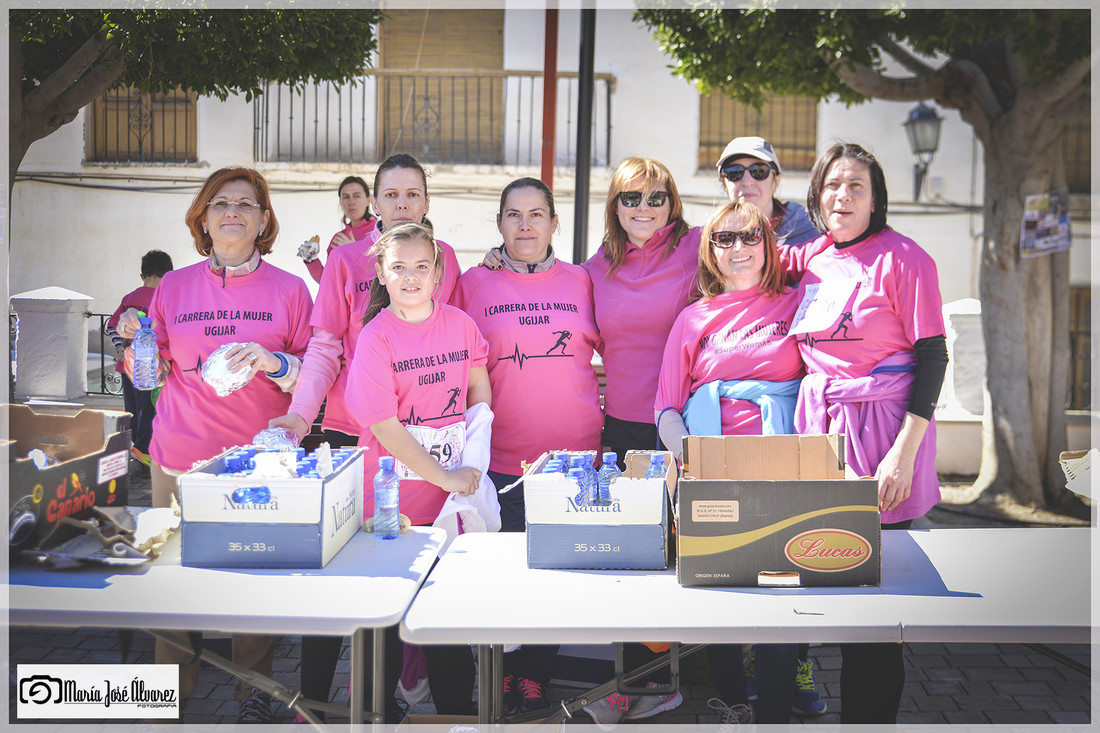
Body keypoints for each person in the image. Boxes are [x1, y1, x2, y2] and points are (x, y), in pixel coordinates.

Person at [116, 166, 312, 724]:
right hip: (179, 459)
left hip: (261, 467)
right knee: (174, 586)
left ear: (264, 220)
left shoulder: (291, 289)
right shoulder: (173, 288)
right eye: (221, 202)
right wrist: (137, 352)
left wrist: (276, 361)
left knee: (255, 586)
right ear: (203, 217)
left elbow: (315, 375)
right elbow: (152, 374)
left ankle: (256, 693)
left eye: (246, 204)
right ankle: (164, 697)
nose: (233, 212)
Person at [270, 153, 462, 721]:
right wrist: (302, 416)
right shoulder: (345, 259)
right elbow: (327, 345)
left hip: (421, 449)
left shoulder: (444, 259)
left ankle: (415, 698)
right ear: (373, 202)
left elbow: (455, 347)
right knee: (339, 586)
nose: (402, 203)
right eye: (391, 194)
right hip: (353, 440)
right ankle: (316, 706)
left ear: (427, 202)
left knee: (416, 577)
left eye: (413, 194)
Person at [794, 142, 948, 723]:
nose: (843, 195)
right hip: (820, 433)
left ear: (877, 198)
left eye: (857, 185)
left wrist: (902, 457)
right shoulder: (810, 258)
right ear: (817, 195)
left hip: (883, 434)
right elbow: (734, 255)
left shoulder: (906, 258)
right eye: (833, 184)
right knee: (816, 570)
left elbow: (933, 357)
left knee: (876, 613)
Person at [452, 177, 602, 715]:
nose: (525, 225)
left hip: (574, 456)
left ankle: (535, 673)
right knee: (505, 574)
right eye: (513, 215)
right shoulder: (473, 284)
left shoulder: (583, 281)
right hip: (501, 460)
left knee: (556, 574)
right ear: (498, 225)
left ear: (554, 224)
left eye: (537, 214)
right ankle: (501, 672)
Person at [654, 200, 805, 724]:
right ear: (710, 251)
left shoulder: (798, 303)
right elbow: (667, 407)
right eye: (724, 239)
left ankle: (777, 711)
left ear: (768, 244)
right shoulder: (693, 318)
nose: (737, 248)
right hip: (711, 469)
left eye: (748, 237)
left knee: (781, 593)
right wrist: (694, 457)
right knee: (719, 590)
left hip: (783, 468)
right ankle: (732, 704)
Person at [345, 221, 493, 716]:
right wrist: (446, 476)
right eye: (399, 267)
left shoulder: (462, 326)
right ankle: (376, 719)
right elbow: (385, 428)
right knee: (384, 633)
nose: (411, 277)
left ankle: (455, 721)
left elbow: (479, 395)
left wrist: (471, 465)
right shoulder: (375, 338)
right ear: (383, 275)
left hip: (449, 508)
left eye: (421, 267)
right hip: (392, 511)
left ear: (439, 273)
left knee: (448, 631)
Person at [578, 158, 700, 726]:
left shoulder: (699, 247)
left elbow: (764, 244)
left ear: (673, 203)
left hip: (679, 424)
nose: (644, 208)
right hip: (621, 426)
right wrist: (497, 260)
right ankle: (643, 682)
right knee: (633, 554)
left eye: (656, 197)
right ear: (615, 206)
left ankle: (670, 684)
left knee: (683, 552)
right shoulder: (596, 267)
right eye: (631, 198)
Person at [717, 135, 825, 716]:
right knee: (734, 552)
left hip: (795, 413)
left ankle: (794, 657)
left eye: (757, 169)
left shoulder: (811, 242)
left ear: (776, 178)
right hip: (728, 426)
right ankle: (743, 670)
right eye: (734, 171)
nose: (746, 179)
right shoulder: (717, 231)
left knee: (793, 549)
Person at [105, 249, 174, 466]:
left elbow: (112, 326)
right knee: (150, 410)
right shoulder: (166, 298)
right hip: (152, 370)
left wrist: (120, 348)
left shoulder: (130, 298)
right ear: (168, 276)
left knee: (132, 410)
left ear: (142, 276)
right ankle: (143, 452)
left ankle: (131, 448)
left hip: (126, 366)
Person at [716, 136, 819, 247]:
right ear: (724, 184)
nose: (747, 182)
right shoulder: (714, 240)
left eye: (759, 171)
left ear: (776, 180)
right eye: (734, 172)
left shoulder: (811, 237)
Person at [301, 175, 376, 283]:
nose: (351, 202)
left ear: (368, 200)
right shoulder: (338, 238)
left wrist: (354, 250)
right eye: (346, 197)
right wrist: (311, 259)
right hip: (343, 299)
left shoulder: (379, 230)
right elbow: (328, 281)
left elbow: (383, 272)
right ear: (340, 202)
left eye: (357, 196)